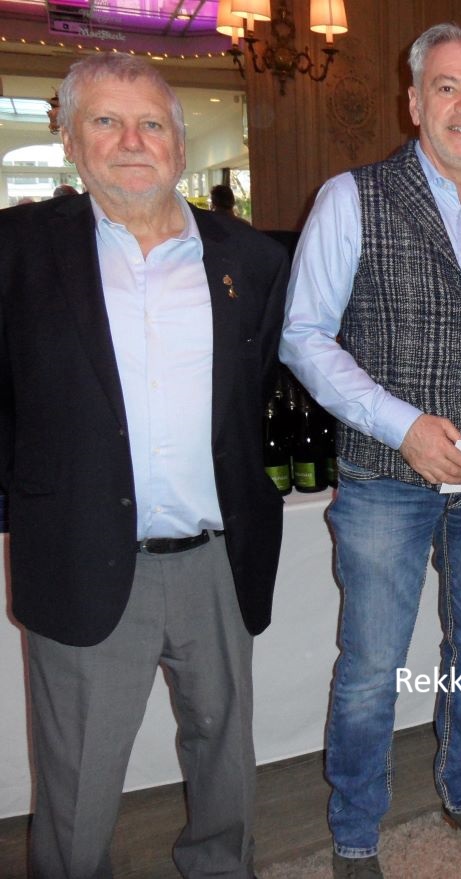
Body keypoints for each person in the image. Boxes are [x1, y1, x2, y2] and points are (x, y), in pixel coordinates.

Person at [0, 54, 288, 877]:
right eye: (106, 121)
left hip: (216, 561)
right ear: (69, 138)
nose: (132, 141)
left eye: (151, 124)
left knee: (226, 761)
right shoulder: (17, 250)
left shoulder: (250, 259)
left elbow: (263, 390)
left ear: (179, 144)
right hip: (81, 553)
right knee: (78, 792)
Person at [279, 23, 461, 877]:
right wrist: (402, 423)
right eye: (447, 87)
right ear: (413, 102)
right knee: (371, 668)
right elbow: (303, 336)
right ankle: (356, 831)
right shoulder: (350, 198)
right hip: (384, 480)